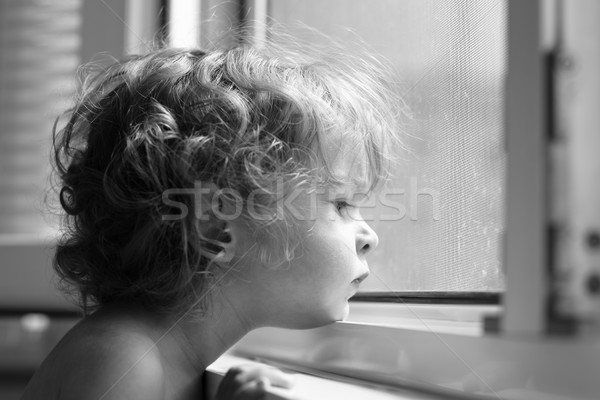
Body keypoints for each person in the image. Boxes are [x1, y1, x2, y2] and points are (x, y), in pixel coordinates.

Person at [21, 34, 402, 400]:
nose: (369, 236)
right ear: (216, 230)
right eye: (340, 204)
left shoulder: (155, 353)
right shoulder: (123, 361)